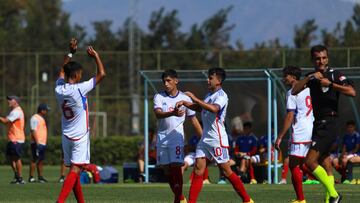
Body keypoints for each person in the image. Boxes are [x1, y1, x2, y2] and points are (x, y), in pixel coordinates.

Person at [176, 67, 253, 203]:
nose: (208, 80)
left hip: (217, 139)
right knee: (198, 170)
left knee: (226, 171)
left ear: (219, 80)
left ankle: (247, 200)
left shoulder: (222, 95)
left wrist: (194, 98)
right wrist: (186, 103)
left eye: (211, 78)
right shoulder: (209, 95)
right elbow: (200, 108)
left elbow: (214, 109)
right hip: (205, 139)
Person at [292, 45, 356, 203]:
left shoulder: (334, 74)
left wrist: (331, 84)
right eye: (317, 58)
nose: (321, 61)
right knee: (325, 162)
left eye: (324, 58)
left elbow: (352, 92)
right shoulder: (311, 77)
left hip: (330, 122)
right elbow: (294, 90)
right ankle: (330, 199)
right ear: (312, 60)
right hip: (318, 123)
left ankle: (334, 194)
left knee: (309, 161)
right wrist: (308, 78)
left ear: (327, 58)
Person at [55, 38, 106, 203]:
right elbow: (102, 75)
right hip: (80, 136)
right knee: (76, 170)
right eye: (81, 74)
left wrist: (70, 53)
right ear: (76, 75)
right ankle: (60, 201)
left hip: (66, 135)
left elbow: (61, 72)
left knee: (74, 170)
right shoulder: (79, 88)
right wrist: (96, 56)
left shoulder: (58, 88)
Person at [153, 69, 202, 203]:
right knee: (167, 171)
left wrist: (203, 137)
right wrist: (172, 113)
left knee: (176, 166)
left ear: (176, 81)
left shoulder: (185, 98)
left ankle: (177, 200)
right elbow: (157, 114)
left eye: (169, 81)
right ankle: (180, 198)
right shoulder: (159, 96)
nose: (166, 84)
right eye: (164, 81)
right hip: (162, 138)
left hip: (177, 139)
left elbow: (193, 119)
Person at [275, 66, 314, 203]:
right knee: (306, 163)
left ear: (293, 77)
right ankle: (329, 185)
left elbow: (290, 116)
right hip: (311, 128)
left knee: (293, 164)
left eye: (285, 76)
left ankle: (301, 199)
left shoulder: (291, 92)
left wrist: (280, 136)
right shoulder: (309, 89)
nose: (283, 78)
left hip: (300, 131)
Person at [0, 95, 26, 184]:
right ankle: (16, 176)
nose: (8, 101)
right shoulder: (14, 111)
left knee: (16, 158)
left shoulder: (17, 112)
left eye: (10, 100)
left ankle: (20, 177)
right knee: (11, 158)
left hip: (17, 138)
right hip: (12, 138)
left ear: (15, 101)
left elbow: (5, 121)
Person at [28, 103, 51, 183]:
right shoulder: (35, 118)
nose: (46, 112)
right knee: (34, 159)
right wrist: (37, 142)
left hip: (42, 143)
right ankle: (31, 177)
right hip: (37, 143)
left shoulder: (41, 118)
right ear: (42, 110)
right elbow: (33, 130)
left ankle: (40, 177)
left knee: (41, 160)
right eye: (45, 110)